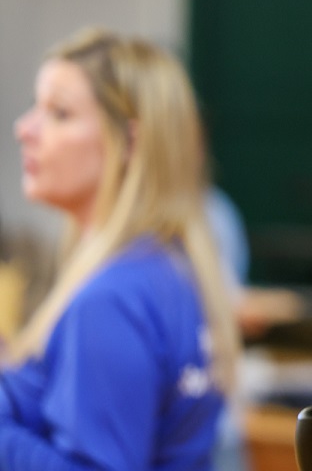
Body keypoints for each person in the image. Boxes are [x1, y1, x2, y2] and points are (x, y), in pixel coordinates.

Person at [5, 28, 240, 470]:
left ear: (130, 142)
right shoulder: (166, 270)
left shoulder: (112, 299)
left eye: (58, 113)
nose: (25, 130)